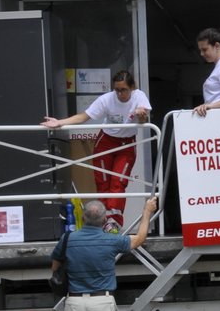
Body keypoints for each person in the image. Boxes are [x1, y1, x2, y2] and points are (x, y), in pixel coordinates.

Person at [41, 70, 152, 233]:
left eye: (124, 90)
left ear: (132, 88)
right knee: (103, 182)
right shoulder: (107, 99)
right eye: (117, 90)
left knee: (118, 182)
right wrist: (59, 123)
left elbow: (144, 121)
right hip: (106, 141)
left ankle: (114, 222)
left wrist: (141, 115)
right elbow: (84, 117)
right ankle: (104, 220)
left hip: (126, 144)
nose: (120, 94)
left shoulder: (139, 96)